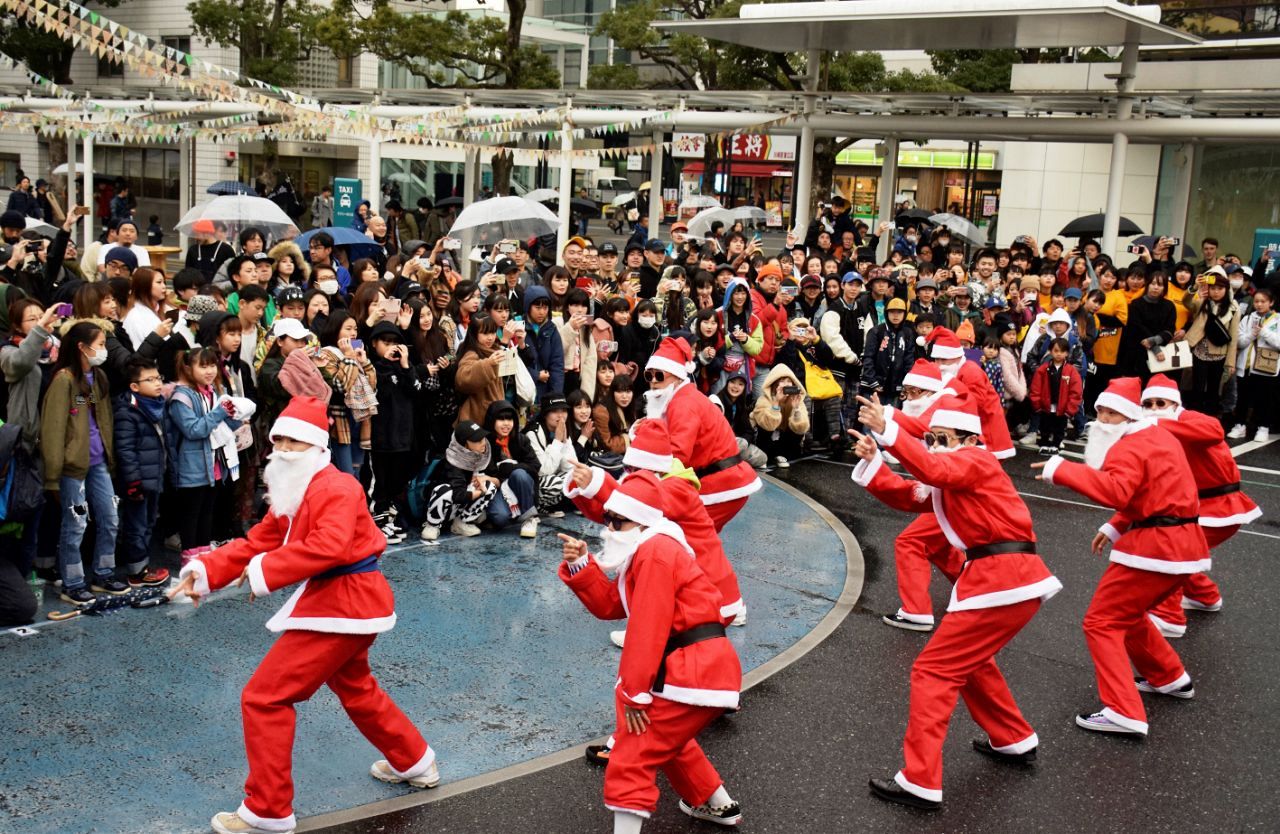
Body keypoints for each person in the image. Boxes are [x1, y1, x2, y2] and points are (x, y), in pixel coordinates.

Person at [168, 396, 439, 834]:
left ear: (316, 444)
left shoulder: (337, 487)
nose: (283, 449)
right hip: (346, 602)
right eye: (279, 440)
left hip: (345, 603)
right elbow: (259, 540)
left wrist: (264, 571)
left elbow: (328, 547)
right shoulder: (299, 486)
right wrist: (204, 573)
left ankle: (268, 810)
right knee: (355, 685)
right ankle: (415, 761)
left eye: (294, 441)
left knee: (265, 697)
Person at [851, 393, 1060, 810]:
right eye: (929, 438)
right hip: (1008, 582)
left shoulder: (975, 460)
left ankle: (920, 781)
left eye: (941, 438)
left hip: (1000, 580)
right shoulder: (959, 470)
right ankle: (1013, 737)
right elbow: (910, 495)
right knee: (973, 663)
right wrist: (875, 461)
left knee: (933, 672)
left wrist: (890, 430)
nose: (933, 445)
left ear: (969, 439)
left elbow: (930, 469)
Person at [557, 471, 744, 833]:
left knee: (632, 754)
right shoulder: (650, 548)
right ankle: (718, 804)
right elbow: (612, 605)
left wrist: (634, 693)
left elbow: (647, 627)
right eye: (607, 519)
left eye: (618, 520)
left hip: (692, 668)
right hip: (700, 669)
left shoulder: (655, 553)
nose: (609, 528)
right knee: (666, 738)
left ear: (641, 520)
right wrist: (582, 564)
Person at [1035, 377, 1208, 736]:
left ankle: (1123, 711)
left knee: (1102, 622)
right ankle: (1169, 677)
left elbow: (1117, 490)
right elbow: (1154, 490)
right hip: (1185, 545)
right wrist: (1116, 526)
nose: (1102, 420)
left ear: (1130, 415)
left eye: (1111, 414)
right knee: (1128, 615)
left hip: (1156, 547)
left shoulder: (1130, 445)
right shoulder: (1158, 437)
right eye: (1100, 412)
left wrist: (1062, 470)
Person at [1140, 376, 1261, 637]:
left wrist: (1158, 422)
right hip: (1197, 506)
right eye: (1148, 404)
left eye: (1161, 403)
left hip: (1220, 507)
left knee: (1171, 549)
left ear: (1175, 403)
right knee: (1181, 547)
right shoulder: (1156, 431)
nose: (1154, 409)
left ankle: (1167, 616)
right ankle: (1204, 596)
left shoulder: (1188, 419)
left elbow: (1214, 431)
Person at [40, 321, 123, 604]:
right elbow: (53, 429)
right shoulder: (63, 380)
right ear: (81, 347)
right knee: (75, 524)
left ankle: (104, 573)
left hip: (98, 462)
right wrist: (53, 475)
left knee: (110, 518)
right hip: (72, 467)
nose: (104, 350)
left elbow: (104, 419)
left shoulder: (98, 377)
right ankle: (72, 582)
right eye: (100, 344)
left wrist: (110, 458)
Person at [642, 337, 761, 530]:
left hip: (722, 483)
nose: (653, 381)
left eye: (660, 375)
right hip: (721, 479)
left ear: (677, 376)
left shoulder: (683, 404)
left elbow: (677, 456)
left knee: (684, 535)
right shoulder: (680, 398)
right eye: (649, 375)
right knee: (692, 537)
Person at [112, 357, 172, 588]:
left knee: (148, 522)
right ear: (134, 386)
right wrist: (133, 482)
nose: (157, 383)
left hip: (154, 475)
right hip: (138, 481)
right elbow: (125, 450)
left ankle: (142, 566)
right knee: (136, 525)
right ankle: (136, 571)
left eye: (158, 378)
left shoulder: (157, 405)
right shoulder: (128, 411)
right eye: (150, 379)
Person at [367, 321, 421, 545]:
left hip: (403, 437)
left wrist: (406, 365)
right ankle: (377, 524)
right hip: (381, 437)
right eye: (385, 342)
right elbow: (382, 392)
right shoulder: (373, 367)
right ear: (374, 343)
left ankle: (391, 519)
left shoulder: (405, 367)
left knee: (397, 484)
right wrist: (386, 364)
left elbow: (416, 390)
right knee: (379, 485)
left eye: (395, 343)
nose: (391, 347)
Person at [419, 420, 500, 541]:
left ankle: (462, 522)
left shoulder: (483, 455)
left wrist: (486, 479)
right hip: (446, 506)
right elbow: (458, 495)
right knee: (444, 490)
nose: (483, 443)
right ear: (464, 444)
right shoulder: (452, 461)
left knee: (490, 486)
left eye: (483, 438)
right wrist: (481, 492)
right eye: (477, 440)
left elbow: (499, 480)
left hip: (462, 503)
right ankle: (432, 525)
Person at [1227, 288, 1279, 441]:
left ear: (1271, 302)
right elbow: (1239, 342)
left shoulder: (1277, 319)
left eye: (1263, 301)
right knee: (1242, 398)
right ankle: (1240, 425)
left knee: (1265, 399)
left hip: (1266, 367)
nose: (1259, 304)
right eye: (1256, 301)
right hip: (1245, 366)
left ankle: (1263, 428)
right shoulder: (1248, 319)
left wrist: (1264, 333)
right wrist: (1252, 334)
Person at [1029, 338, 1083, 455]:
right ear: (1050, 351)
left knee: (1060, 428)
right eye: (1056, 350)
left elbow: (1076, 392)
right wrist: (1037, 405)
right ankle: (1044, 444)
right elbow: (1035, 388)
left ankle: (1056, 445)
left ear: (1067, 353)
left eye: (1062, 351)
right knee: (1044, 426)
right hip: (1045, 406)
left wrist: (1070, 409)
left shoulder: (1071, 371)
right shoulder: (1042, 369)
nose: (1059, 354)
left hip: (1062, 408)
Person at [750, 362, 809, 469]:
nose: (786, 384)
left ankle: (782, 455)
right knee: (766, 427)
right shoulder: (764, 399)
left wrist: (796, 409)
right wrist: (776, 403)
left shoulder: (796, 399)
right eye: (782, 381)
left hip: (783, 439)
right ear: (775, 383)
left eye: (789, 381)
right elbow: (767, 426)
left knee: (797, 425)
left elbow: (802, 428)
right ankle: (765, 457)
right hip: (763, 440)